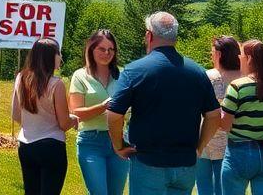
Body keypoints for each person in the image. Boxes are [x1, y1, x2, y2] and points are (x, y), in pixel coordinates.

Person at [106, 12, 220, 195]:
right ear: (174, 37)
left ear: (149, 35)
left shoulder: (135, 70)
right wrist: (199, 147)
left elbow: (114, 114)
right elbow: (214, 115)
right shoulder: (197, 72)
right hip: (185, 163)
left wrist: (119, 145)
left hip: (148, 162)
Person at [219, 39, 263, 195]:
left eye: (241, 55)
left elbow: (225, 125)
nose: (239, 58)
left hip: (238, 152)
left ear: (249, 58)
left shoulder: (237, 86)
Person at [12, 37, 77, 195]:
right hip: (51, 146)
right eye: (58, 54)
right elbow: (63, 123)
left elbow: (15, 114)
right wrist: (74, 119)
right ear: (51, 57)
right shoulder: (56, 84)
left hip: (26, 145)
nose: (60, 58)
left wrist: (32, 124)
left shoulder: (21, 78)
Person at [69, 29, 128, 195]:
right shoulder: (80, 76)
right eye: (102, 49)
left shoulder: (123, 75)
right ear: (91, 49)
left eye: (111, 49)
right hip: (91, 142)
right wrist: (104, 106)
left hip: (119, 140)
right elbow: (76, 113)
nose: (107, 53)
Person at [198, 36, 243, 195]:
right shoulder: (245, 78)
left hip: (205, 138)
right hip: (235, 140)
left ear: (218, 54)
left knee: (204, 186)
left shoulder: (207, 76)